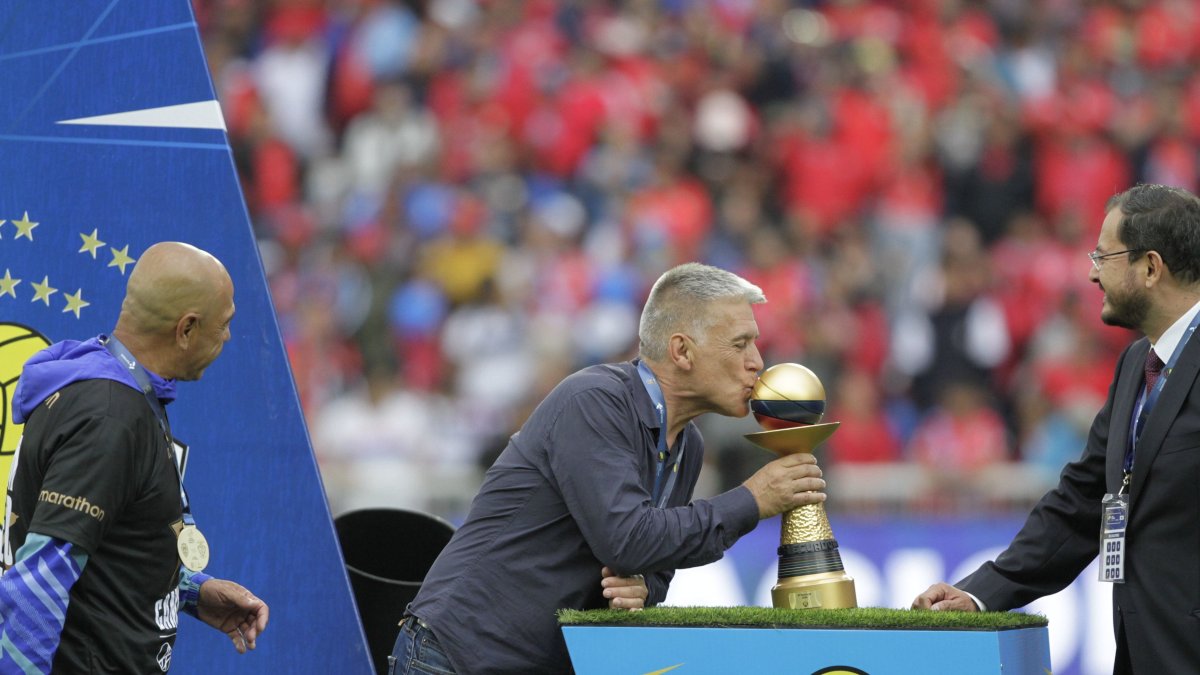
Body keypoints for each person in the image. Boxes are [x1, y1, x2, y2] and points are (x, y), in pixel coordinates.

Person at [391, 262, 827, 674]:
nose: (756, 362)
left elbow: (654, 563)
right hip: (455, 657)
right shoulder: (595, 401)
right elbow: (628, 540)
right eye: (740, 344)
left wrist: (644, 588)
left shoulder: (688, 443)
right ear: (681, 350)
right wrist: (752, 500)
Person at [912, 184, 1200, 673]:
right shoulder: (1138, 364)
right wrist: (979, 594)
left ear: (1151, 268)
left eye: (1104, 256)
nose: (1092, 272)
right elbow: (1082, 501)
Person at [0, 242, 269, 673]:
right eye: (224, 324)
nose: (228, 337)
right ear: (186, 329)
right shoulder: (110, 419)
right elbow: (38, 582)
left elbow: (105, 546)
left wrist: (192, 592)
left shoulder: (112, 388)